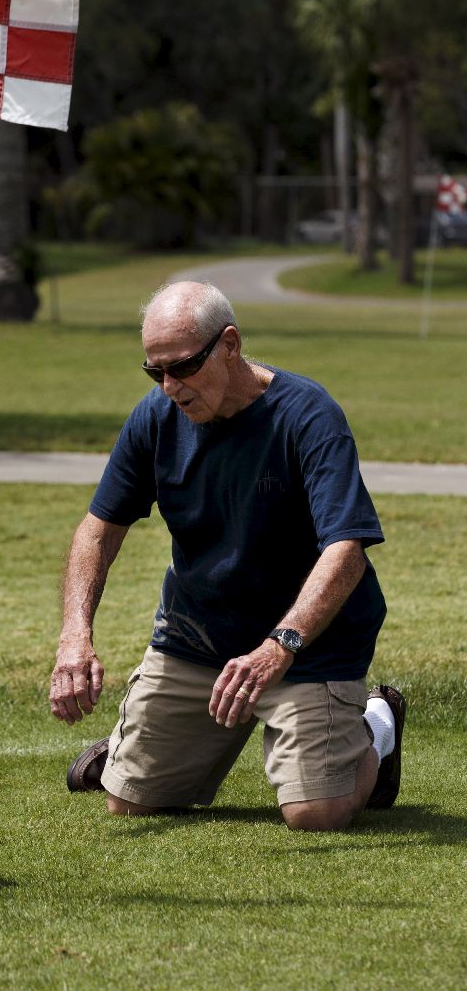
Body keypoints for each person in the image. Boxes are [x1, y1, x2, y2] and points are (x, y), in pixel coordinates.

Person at [49, 280, 406, 831]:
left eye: (184, 367)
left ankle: (376, 729)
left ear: (230, 345)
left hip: (309, 648)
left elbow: (347, 551)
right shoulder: (155, 418)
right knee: (131, 803)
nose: (170, 387)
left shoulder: (308, 416)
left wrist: (279, 646)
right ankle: (143, 751)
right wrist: (75, 636)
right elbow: (97, 529)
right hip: (199, 638)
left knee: (316, 814)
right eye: (155, 371)